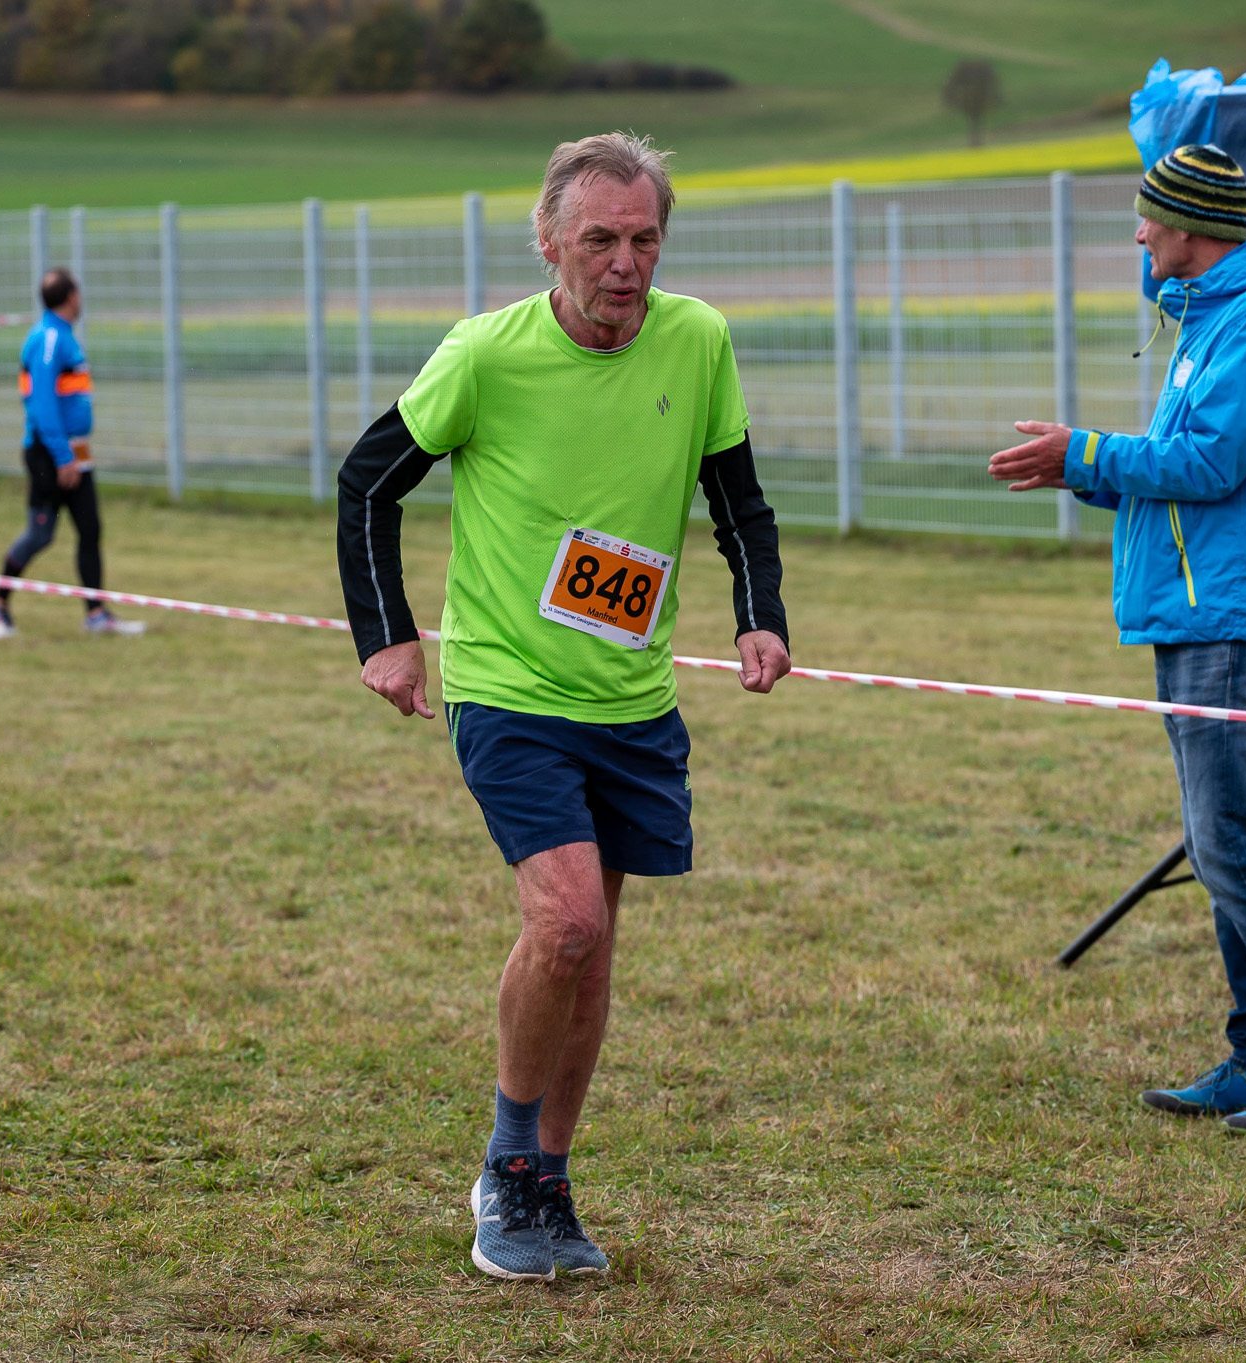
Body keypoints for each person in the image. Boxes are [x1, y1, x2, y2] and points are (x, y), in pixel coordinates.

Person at [337, 132, 791, 1279]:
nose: (624, 264)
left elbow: (736, 499)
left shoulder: (697, 340)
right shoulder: (483, 356)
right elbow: (367, 483)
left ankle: (546, 1181)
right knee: (568, 922)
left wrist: (759, 613)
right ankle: (506, 1167)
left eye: (643, 239)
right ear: (547, 242)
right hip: (509, 689)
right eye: (599, 240)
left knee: (592, 953)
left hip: (630, 697)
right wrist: (386, 635)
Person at [988, 144, 1246, 1135]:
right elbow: (1178, 467)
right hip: (1193, 613)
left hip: (1231, 619)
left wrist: (1085, 448)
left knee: (1233, 846)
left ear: (1192, 228)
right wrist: (1080, 467)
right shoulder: (1211, 318)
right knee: (1219, 847)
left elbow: (1210, 463)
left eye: (1148, 217)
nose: (1137, 234)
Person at [0, 269, 141, 639]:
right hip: (50, 454)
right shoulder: (48, 339)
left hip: (75, 451)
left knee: (90, 528)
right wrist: (63, 457)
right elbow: (43, 404)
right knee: (40, 534)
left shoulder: (62, 335)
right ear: (71, 296)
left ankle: (96, 614)